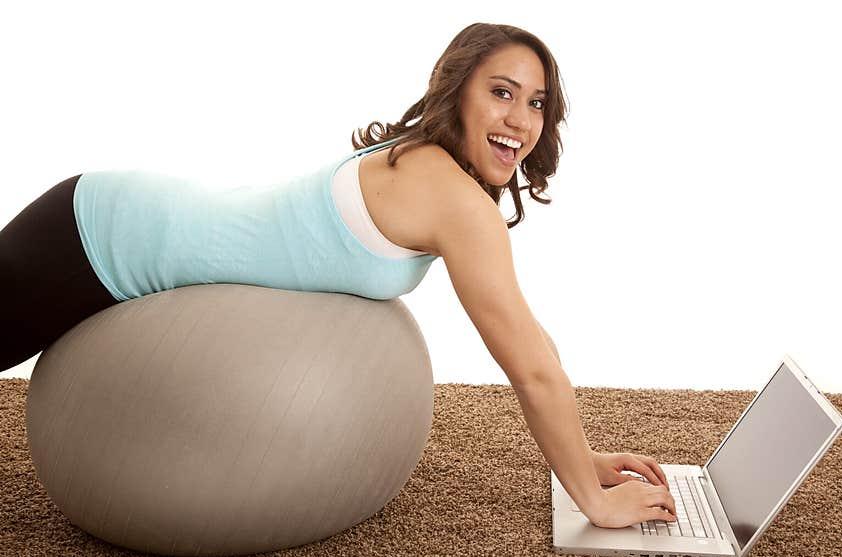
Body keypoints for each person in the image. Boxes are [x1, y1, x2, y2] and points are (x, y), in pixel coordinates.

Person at [0, 22, 676, 530]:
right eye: (501, 92)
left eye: (536, 102)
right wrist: (591, 502)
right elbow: (530, 366)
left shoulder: (426, 162)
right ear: (456, 90)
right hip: (101, 236)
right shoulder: (457, 203)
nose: (519, 120)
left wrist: (583, 459)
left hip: (112, 221)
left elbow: (534, 340)